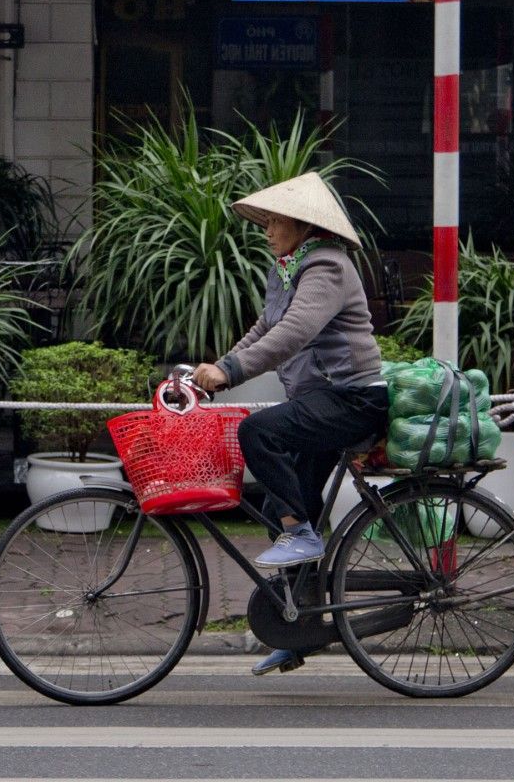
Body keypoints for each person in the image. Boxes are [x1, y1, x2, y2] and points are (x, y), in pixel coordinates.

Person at [192, 172, 386, 676]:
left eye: (275, 220)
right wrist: (217, 368)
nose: (267, 228)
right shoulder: (289, 267)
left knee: (259, 434)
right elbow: (266, 328)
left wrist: (231, 372)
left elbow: (296, 332)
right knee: (294, 498)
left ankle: (300, 534)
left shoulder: (326, 266)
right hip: (321, 398)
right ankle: (297, 628)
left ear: (303, 224)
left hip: (351, 399)